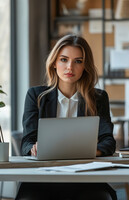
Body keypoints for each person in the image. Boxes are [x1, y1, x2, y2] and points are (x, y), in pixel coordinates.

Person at [15, 34, 117, 200]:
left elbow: (108, 142)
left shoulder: (98, 98)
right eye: (64, 59)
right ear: (54, 63)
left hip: (86, 179)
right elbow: (27, 142)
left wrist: (87, 151)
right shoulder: (36, 96)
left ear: (85, 66)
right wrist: (34, 148)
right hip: (42, 178)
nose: (70, 67)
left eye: (78, 61)